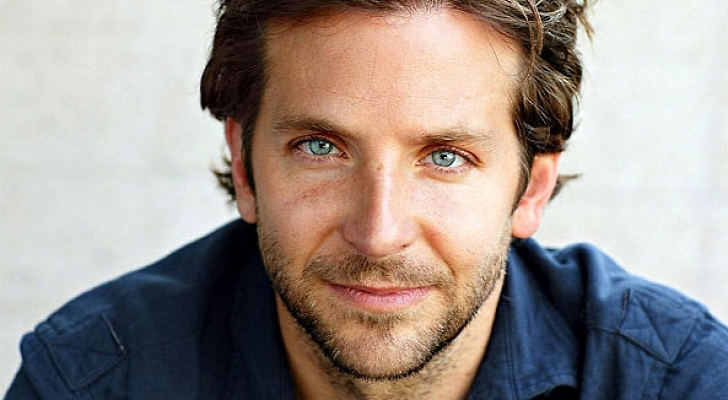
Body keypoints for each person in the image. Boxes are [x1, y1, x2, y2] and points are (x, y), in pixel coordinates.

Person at [5, 0, 728, 399]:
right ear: (245, 168)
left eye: (445, 158)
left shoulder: (677, 382)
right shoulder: (95, 380)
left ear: (529, 191)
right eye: (320, 148)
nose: (378, 234)